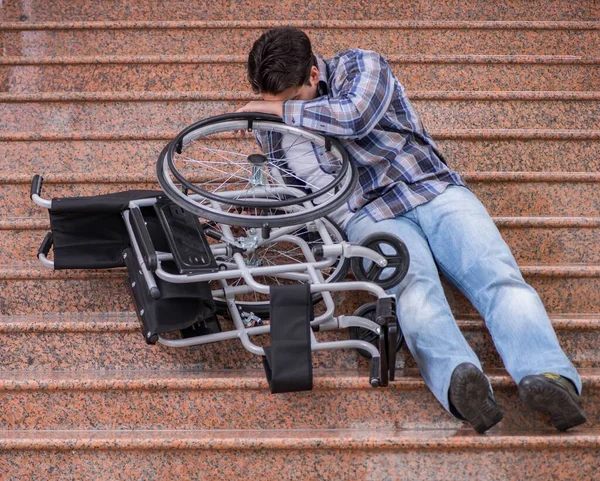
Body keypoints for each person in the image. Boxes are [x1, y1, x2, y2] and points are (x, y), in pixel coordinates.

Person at [236, 27, 587, 433]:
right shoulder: (270, 121)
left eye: (292, 99)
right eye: (270, 103)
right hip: (369, 215)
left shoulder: (359, 65)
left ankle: (550, 377)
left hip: (430, 188)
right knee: (414, 292)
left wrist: (282, 113)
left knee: (497, 276)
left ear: (314, 75)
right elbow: (301, 194)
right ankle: (462, 384)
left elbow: (354, 117)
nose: (278, 111)